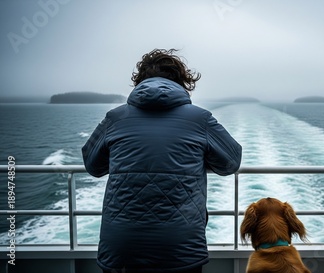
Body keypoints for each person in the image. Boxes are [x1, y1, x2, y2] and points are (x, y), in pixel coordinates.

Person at [82, 48, 242, 273]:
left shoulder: (115, 118)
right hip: (179, 248)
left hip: (122, 248)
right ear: (182, 82)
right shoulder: (200, 119)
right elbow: (231, 163)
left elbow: (93, 166)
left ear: (139, 82)